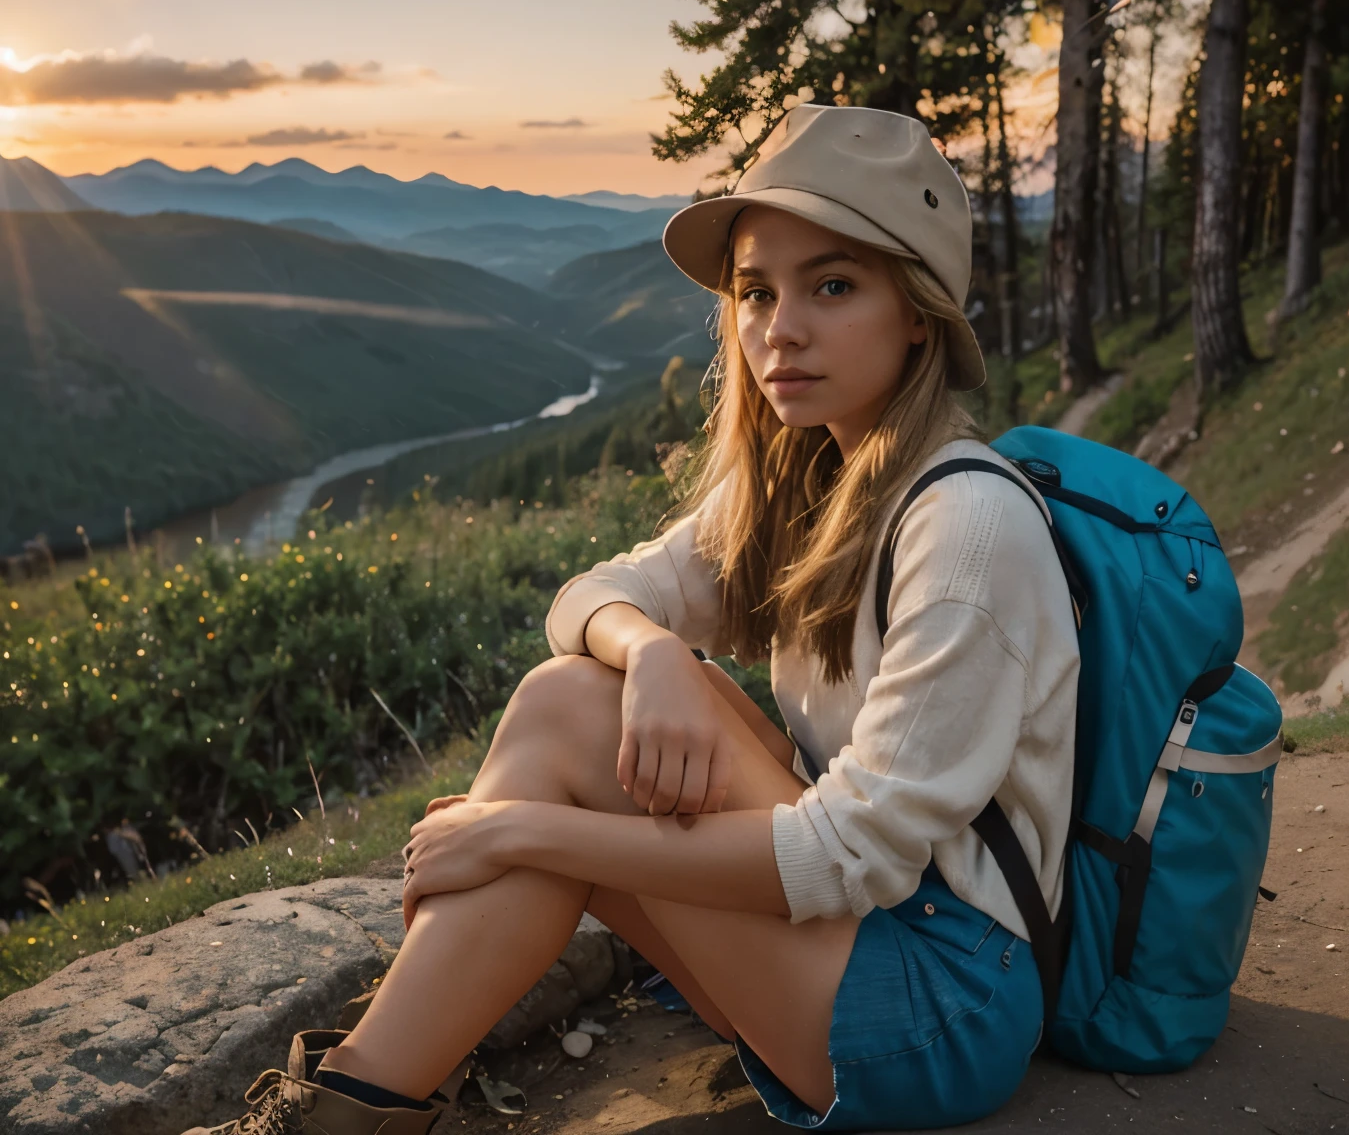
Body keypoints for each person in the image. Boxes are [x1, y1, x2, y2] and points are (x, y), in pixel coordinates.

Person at [184, 103, 1080, 1135]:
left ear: (917, 311)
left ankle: (345, 1108)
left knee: (551, 764)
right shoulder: (816, 478)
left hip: (940, 1012)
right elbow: (589, 601)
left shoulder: (966, 523)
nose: (777, 328)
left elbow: (851, 858)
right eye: (755, 291)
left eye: (833, 286)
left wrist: (527, 831)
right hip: (854, 952)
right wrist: (654, 650)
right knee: (577, 693)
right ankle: (362, 1093)